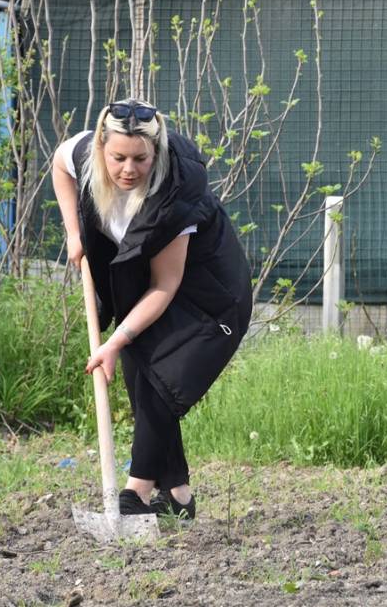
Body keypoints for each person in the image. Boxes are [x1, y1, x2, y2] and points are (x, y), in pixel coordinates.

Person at [52, 98, 253, 519]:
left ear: (156, 153)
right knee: (142, 372)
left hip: (210, 295)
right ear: (102, 149)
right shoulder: (86, 153)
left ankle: (135, 493)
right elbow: (59, 164)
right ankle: (177, 495)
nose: (128, 169)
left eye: (140, 159)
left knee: (162, 382)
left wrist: (115, 341)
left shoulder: (175, 195)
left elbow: (167, 284)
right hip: (150, 282)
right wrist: (75, 233)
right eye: (118, 158)